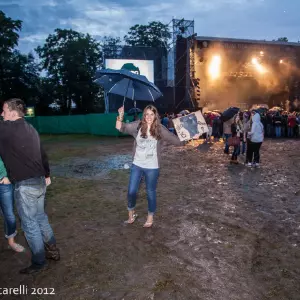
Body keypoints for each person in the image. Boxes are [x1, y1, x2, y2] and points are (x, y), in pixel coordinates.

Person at [0, 98, 60, 274]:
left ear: (12, 112)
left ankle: (39, 261)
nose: (1, 114)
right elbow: (43, 154)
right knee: (41, 218)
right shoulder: (31, 129)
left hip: (26, 186)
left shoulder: (6, 129)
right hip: (40, 181)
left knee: (30, 224)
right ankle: (53, 251)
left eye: (3, 110)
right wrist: (47, 174)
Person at [116, 105, 193, 228]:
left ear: (155, 116)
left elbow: (177, 141)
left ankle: (150, 216)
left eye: (152, 114)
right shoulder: (138, 126)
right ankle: (131, 214)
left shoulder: (160, 129)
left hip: (152, 166)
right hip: (137, 164)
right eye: (147, 114)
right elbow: (121, 128)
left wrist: (189, 135)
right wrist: (120, 116)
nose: (149, 117)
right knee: (131, 191)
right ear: (144, 115)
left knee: (150, 192)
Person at [0, 157, 25, 252]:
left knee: (9, 216)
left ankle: (11, 241)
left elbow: (14, 157)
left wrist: (10, 177)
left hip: (3, 185)